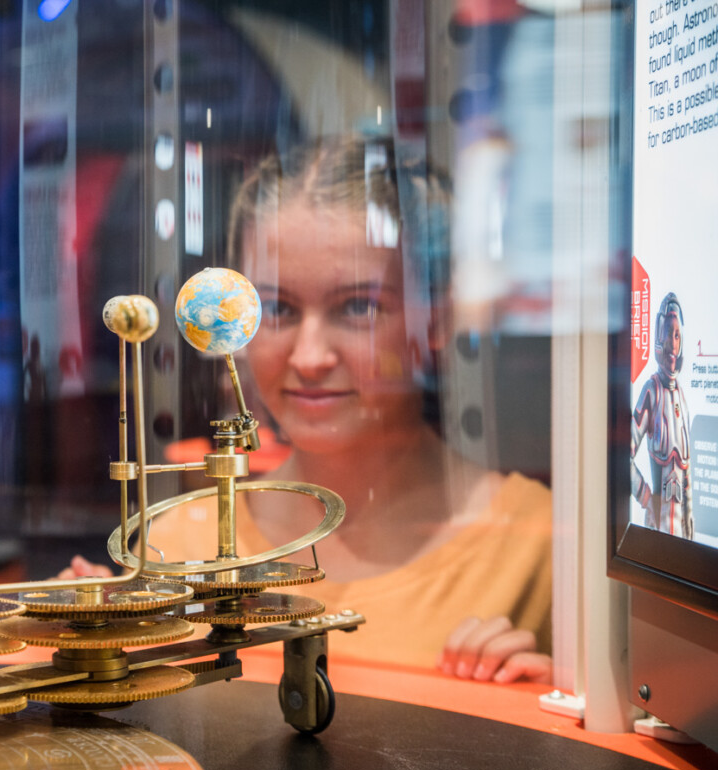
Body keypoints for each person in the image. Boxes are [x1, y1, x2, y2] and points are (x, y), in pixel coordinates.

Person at [65, 137, 552, 683]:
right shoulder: (175, 544)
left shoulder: (538, 546)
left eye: (359, 307)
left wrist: (539, 698)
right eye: (276, 309)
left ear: (434, 317)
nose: (311, 357)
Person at [631, 292, 692, 538]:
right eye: (668, 332)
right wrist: (646, 497)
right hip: (656, 534)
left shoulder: (683, 398)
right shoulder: (651, 391)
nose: (673, 342)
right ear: (658, 335)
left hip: (683, 537)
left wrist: (689, 525)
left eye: (677, 334)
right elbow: (621, 456)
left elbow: (686, 477)